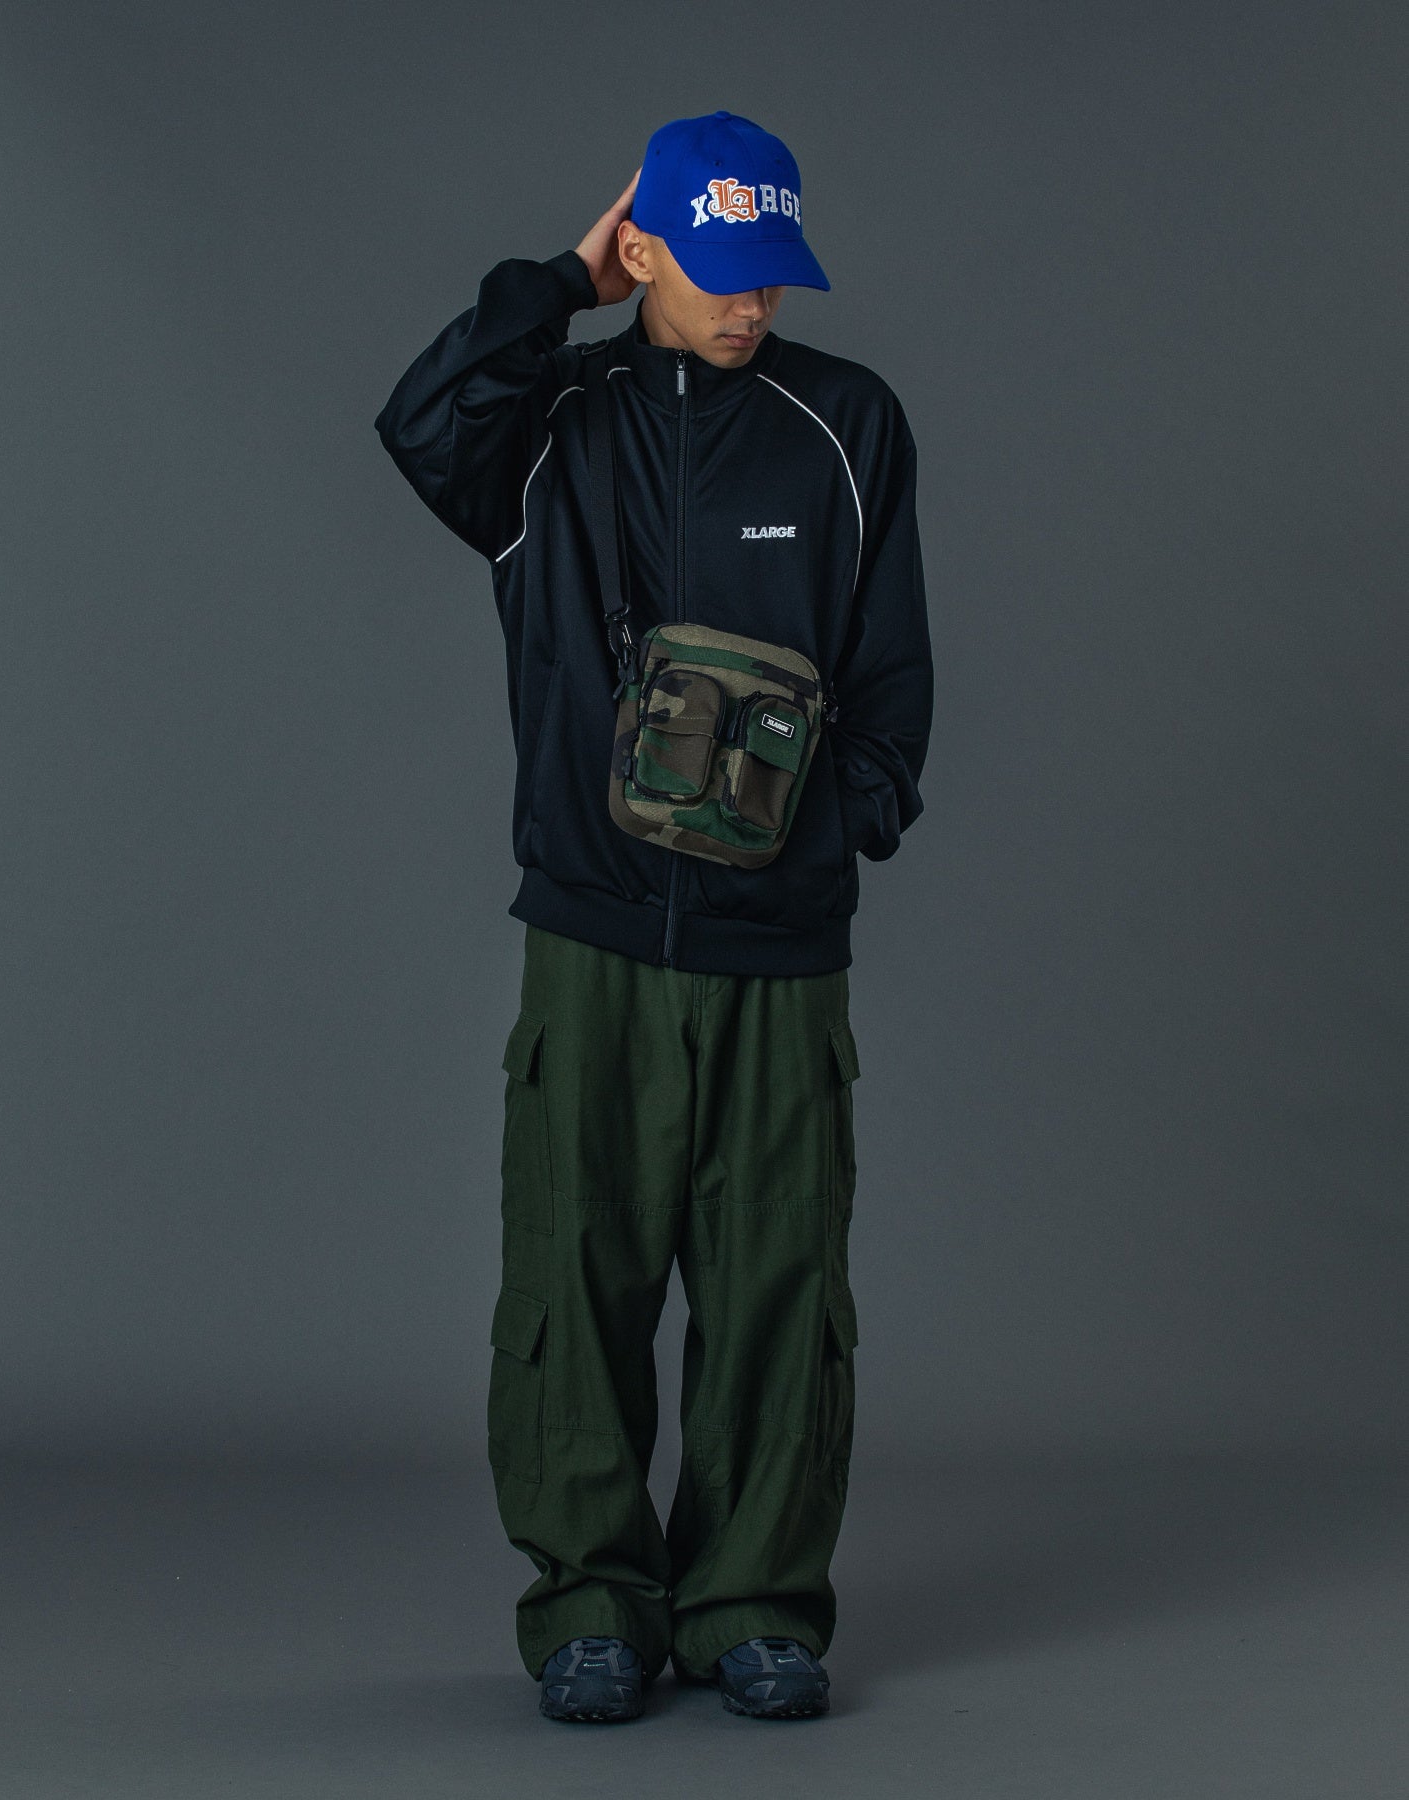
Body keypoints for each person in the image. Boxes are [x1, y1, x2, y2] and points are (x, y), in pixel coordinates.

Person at [373, 109, 933, 1723]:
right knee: (575, 1274)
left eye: (773, 273)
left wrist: (834, 833)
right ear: (648, 250)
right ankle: (590, 1603)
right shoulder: (552, 427)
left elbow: (893, 670)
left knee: (778, 1285)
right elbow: (419, 420)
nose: (751, 304)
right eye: (719, 269)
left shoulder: (846, 424)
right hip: (594, 932)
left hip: (781, 952)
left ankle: (755, 1599)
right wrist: (561, 281)